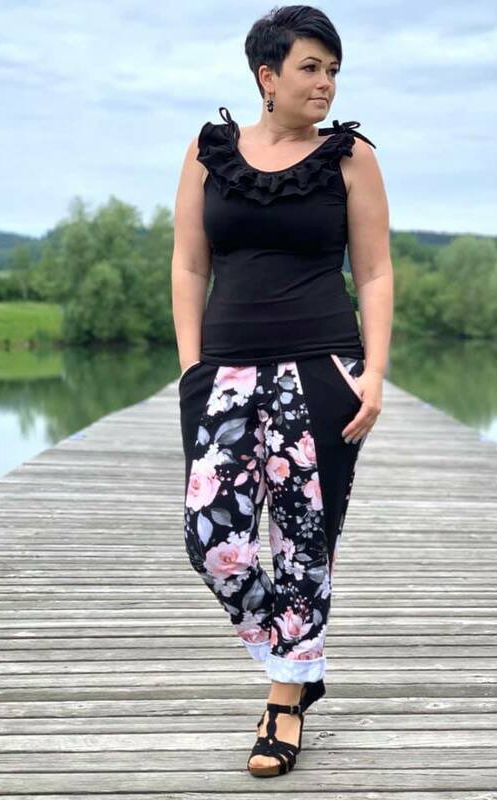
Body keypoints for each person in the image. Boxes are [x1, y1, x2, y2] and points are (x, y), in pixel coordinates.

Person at [171, 4, 393, 779]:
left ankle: (285, 698)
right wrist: (193, 368)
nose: (325, 83)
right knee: (214, 541)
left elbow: (375, 271)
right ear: (267, 76)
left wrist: (373, 370)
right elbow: (188, 263)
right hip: (225, 369)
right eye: (310, 68)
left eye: (333, 70)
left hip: (321, 368)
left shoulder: (350, 158)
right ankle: (297, 653)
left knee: (303, 542)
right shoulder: (209, 151)